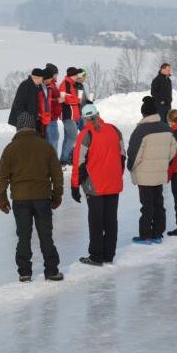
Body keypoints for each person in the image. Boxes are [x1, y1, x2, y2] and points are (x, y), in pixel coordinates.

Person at [0, 112, 65, 283]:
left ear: (18, 128)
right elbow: (57, 174)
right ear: (33, 127)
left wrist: (2, 198)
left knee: (24, 236)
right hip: (42, 198)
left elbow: (2, 177)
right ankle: (51, 271)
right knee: (45, 235)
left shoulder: (10, 149)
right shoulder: (45, 146)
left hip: (20, 200)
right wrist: (57, 195)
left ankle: (25, 272)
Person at [70, 104, 126, 266]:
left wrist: (75, 186)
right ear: (98, 114)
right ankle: (109, 254)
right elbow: (122, 155)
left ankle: (96, 255)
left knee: (96, 220)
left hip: (94, 185)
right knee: (110, 219)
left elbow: (78, 163)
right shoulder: (114, 130)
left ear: (83, 118)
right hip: (113, 181)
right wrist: (117, 175)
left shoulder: (85, 134)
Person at [127, 96, 177, 244]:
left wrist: (131, 166)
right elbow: (173, 150)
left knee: (147, 205)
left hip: (144, 175)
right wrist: (163, 162)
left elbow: (134, 154)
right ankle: (157, 233)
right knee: (158, 203)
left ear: (143, 114)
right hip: (160, 173)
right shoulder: (167, 129)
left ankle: (145, 235)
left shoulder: (140, 130)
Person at [58, 67, 83, 165]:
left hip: (73, 115)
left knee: (68, 137)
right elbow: (65, 99)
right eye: (76, 74)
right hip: (68, 116)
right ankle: (64, 159)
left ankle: (66, 158)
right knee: (72, 137)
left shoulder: (72, 84)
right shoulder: (66, 84)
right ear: (72, 75)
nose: (77, 76)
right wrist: (77, 100)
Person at [44, 64, 62, 153]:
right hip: (50, 117)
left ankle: (50, 162)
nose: (57, 75)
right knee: (53, 139)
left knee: (52, 139)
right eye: (56, 74)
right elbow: (46, 100)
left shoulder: (53, 84)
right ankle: (52, 162)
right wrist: (57, 100)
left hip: (53, 117)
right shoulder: (48, 85)